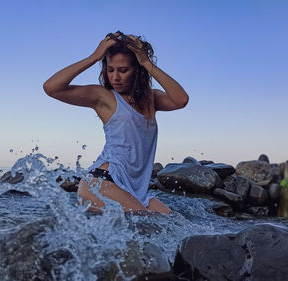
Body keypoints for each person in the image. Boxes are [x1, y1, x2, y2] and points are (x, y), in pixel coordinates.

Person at [43, 31, 189, 214]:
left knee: (172, 223)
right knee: (150, 225)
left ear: (136, 70)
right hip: (102, 182)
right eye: (110, 70)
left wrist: (146, 62)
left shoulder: (151, 99)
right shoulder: (104, 97)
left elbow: (181, 100)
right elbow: (51, 87)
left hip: (135, 191)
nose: (115, 77)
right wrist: (94, 56)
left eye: (123, 70)